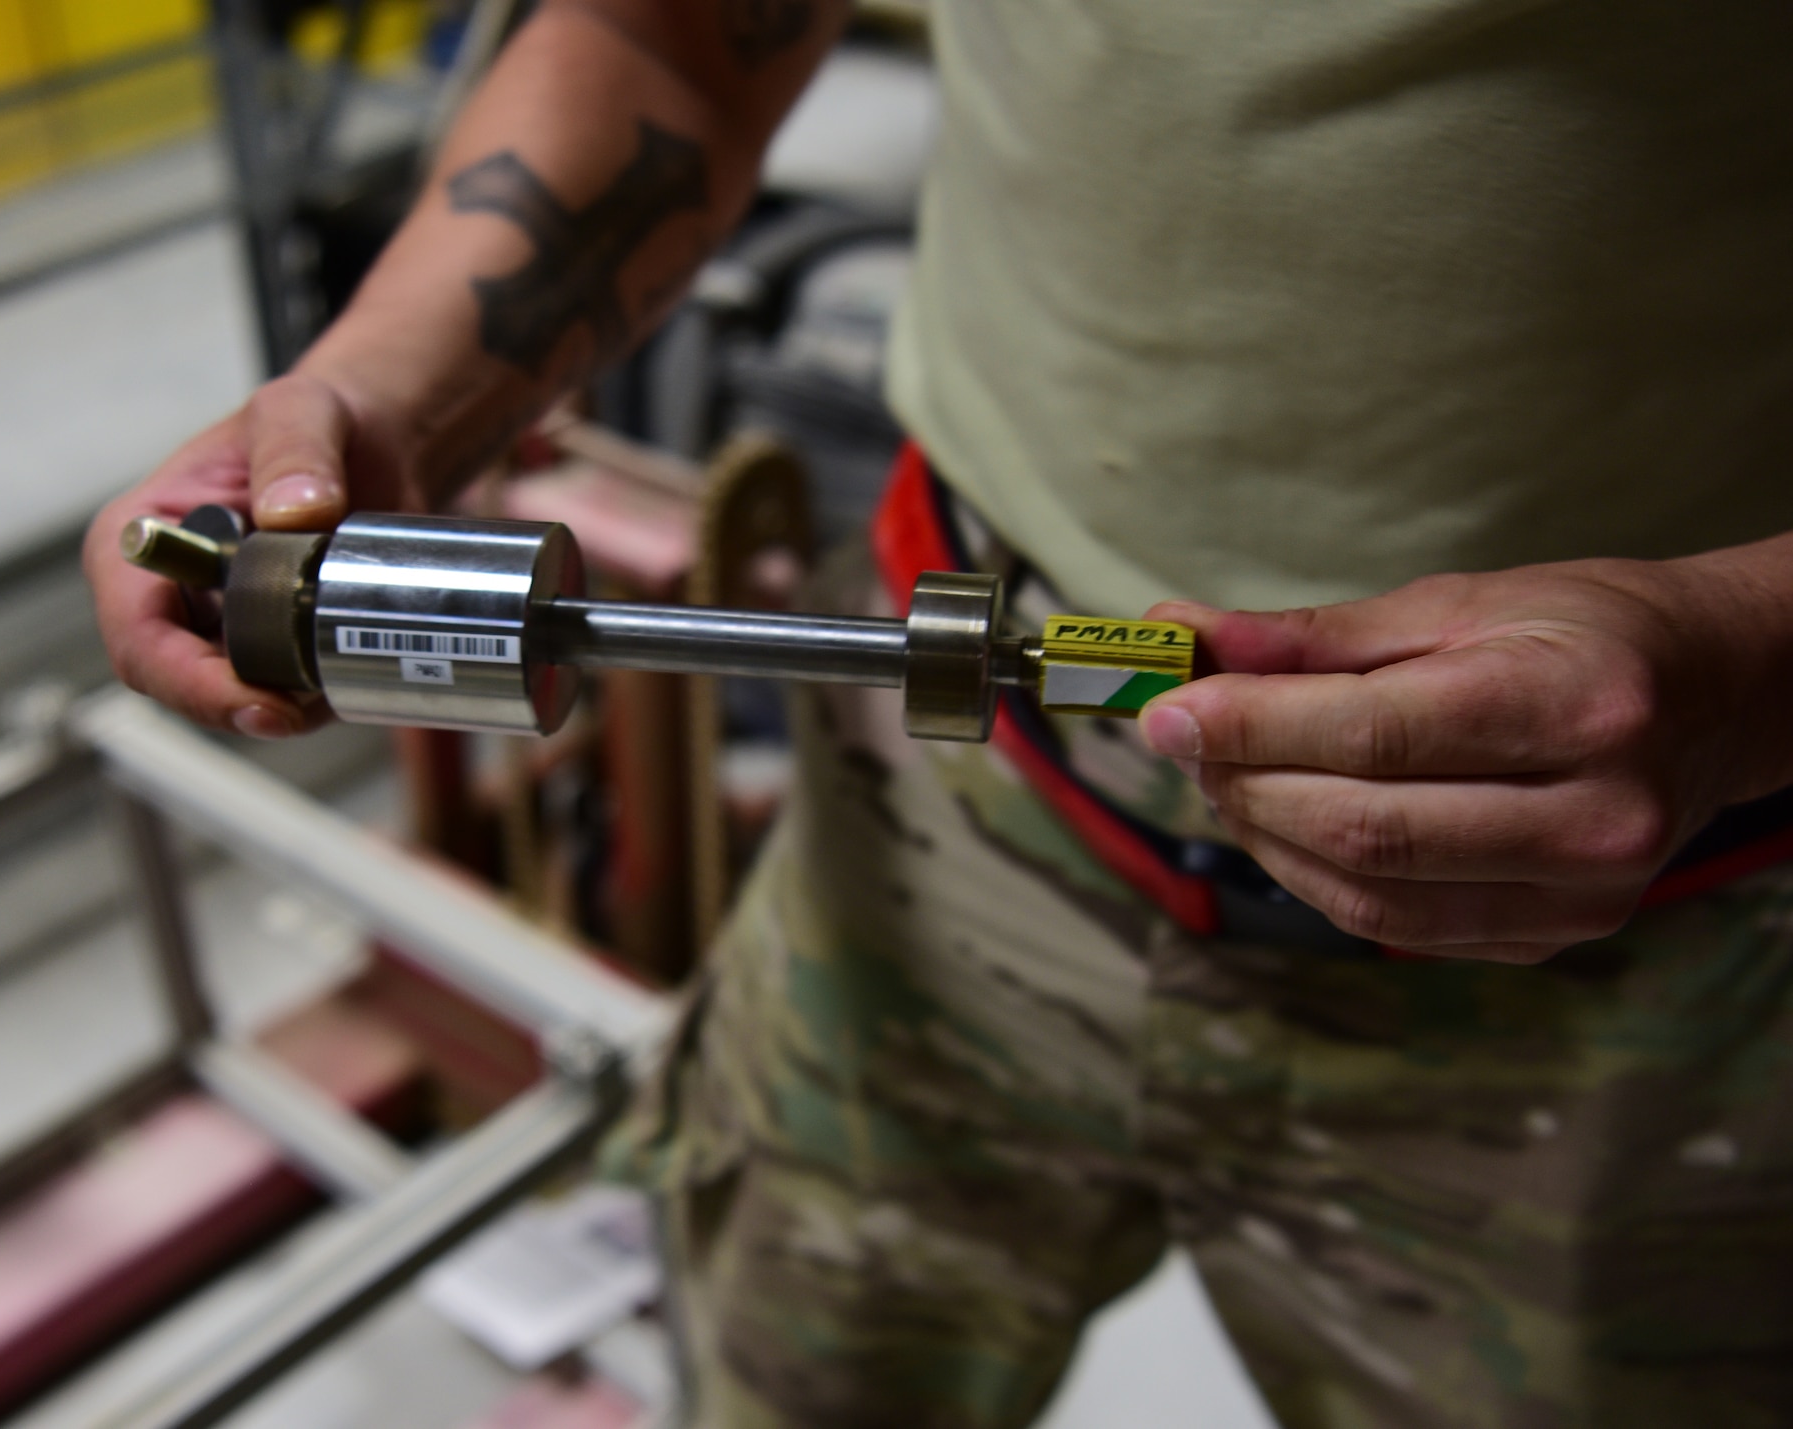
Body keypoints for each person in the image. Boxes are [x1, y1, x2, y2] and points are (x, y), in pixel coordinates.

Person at [86, 2, 1793, 1424]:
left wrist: (1746, 661)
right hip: (946, 816)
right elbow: (676, 36)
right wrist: (385, 393)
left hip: (1647, 934)